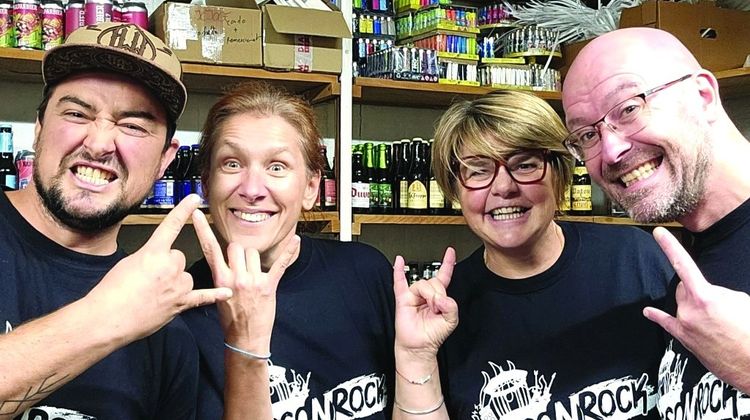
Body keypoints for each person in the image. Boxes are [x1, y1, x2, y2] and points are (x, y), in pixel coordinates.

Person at [391, 90, 675, 419]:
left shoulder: (636, 258)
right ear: (455, 191)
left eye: (524, 165)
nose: (503, 187)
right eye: (478, 171)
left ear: (560, 175)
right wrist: (416, 355)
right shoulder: (441, 311)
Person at [0, 22, 232, 418]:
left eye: (132, 125)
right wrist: (106, 318)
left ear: (165, 159)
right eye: (77, 113)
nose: (99, 143)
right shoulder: (136, 308)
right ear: (39, 129)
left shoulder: (167, 331)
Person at [181, 81, 396, 419]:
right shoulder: (178, 308)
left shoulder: (367, 274)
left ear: (311, 188)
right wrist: (245, 347)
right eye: (232, 164)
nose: (252, 189)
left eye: (277, 167)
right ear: (207, 184)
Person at [562, 26, 750, 408]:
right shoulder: (682, 268)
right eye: (586, 135)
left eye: (630, 108)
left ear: (703, 96)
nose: (611, 151)